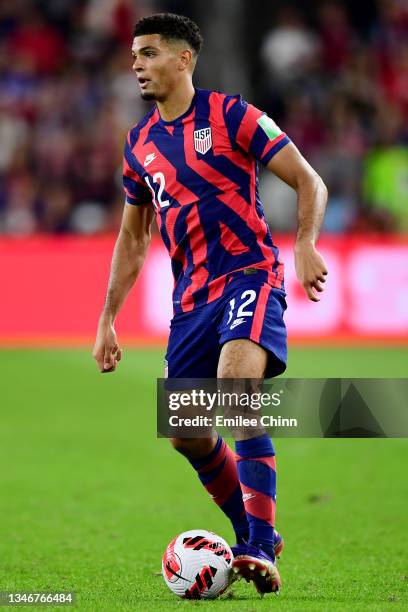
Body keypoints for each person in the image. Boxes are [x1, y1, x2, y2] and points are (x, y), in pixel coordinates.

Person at [93, 13, 328, 595]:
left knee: (236, 390)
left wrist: (304, 242)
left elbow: (308, 180)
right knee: (187, 433)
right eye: (134, 55)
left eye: (148, 53)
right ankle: (254, 534)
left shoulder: (231, 115)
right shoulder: (139, 145)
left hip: (249, 272)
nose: (137, 65)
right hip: (191, 299)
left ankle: (255, 544)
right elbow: (132, 237)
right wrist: (107, 318)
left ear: (183, 59)